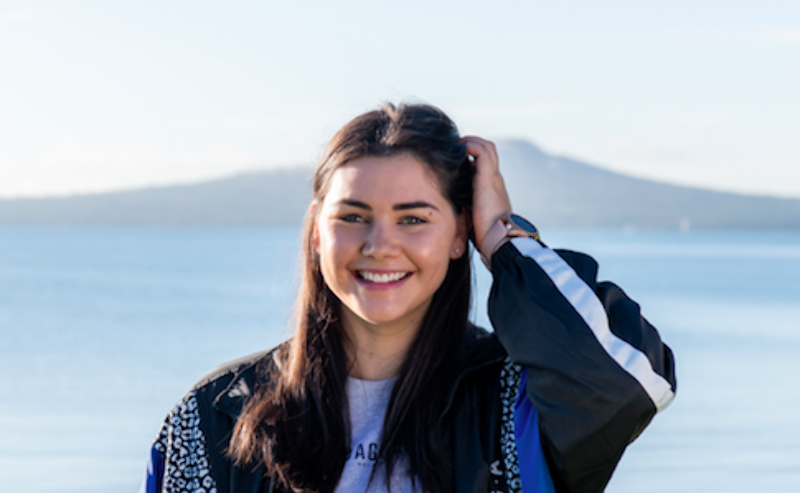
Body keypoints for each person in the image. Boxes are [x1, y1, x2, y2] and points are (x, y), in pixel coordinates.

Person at [140, 103, 676, 493]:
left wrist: (507, 243)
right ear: (317, 231)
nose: (380, 245)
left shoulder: (516, 404)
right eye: (353, 217)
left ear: (459, 234)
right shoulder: (217, 415)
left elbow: (629, 383)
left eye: (413, 219)